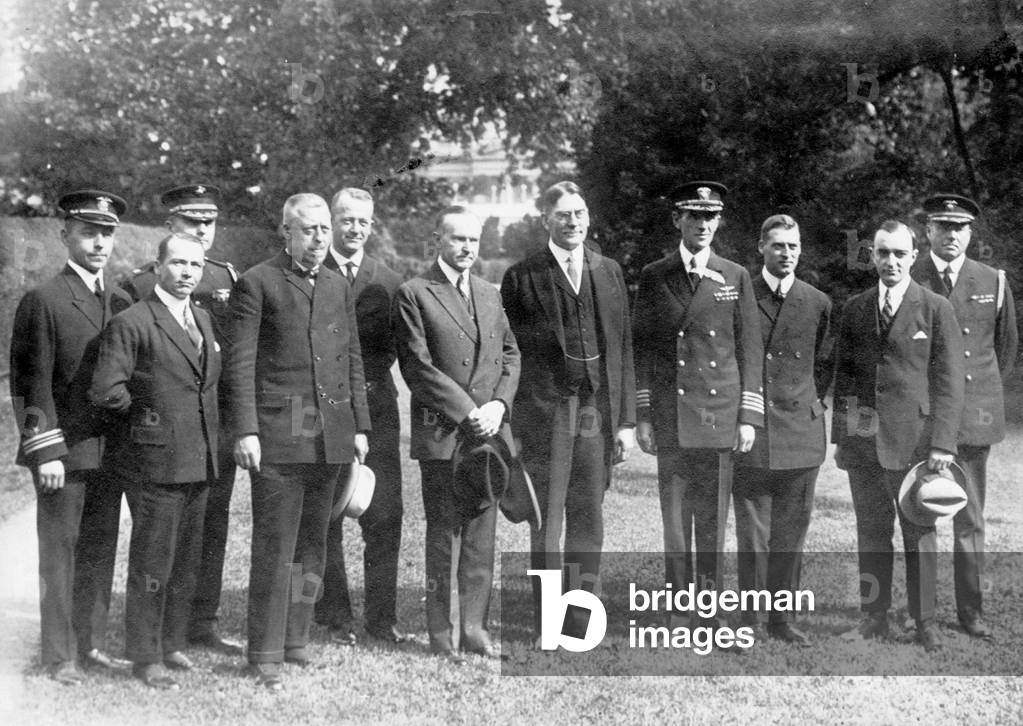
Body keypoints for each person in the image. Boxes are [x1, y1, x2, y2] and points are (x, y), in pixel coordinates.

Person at [225, 193, 370, 689]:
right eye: (308, 230)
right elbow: (240, 364)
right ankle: (265, 652)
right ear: (285, 233)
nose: (319, 238)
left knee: (314, 546)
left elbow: (352, 359)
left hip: (331, 438)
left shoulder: (336, 284)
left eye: (325, 229)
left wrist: (360, 426)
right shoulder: (257, 282)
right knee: (276, 547)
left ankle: (296, 640)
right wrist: (246, 429)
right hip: (279, 438)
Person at [500, 180, 635, 641]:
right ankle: (547, 623)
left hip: (597, 412)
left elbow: (623, 348)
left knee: (588, 517)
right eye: (562, 215)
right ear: (546, 220)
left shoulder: (609, 271)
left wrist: (626, 422)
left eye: (579, 213)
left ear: (588, 218)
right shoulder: (522, 277)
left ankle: (578, 622)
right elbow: (511, 355)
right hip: (546, 414)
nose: (572, 222)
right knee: (547, 521)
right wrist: (515, 425)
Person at [9, 189, 132, 684]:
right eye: (88, 233)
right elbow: (29, 383)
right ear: (65, 236)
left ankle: (92, 644)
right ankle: (59, 655)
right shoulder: (44, 300)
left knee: (100, 552)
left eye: (106, 234)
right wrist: (46, 452)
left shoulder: (121, 300)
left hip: (110, 452)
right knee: (59, 556)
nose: (99, 243)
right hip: (65, 452)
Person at [89, 232, 220, 689]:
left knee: (186, 560)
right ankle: (146, 656)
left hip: (199, 460)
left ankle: (171, 642)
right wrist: (150, 419)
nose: (187, 273)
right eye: (179, 263)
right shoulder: (133, 321)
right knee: (152, 563)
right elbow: (107, 390)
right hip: (155, 464)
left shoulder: (202, 318)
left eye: (196, 265)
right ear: (158, 266)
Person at [393, 206, 520, 663]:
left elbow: (511, 354)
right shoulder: (414, 293)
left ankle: (474, 629)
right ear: (438, 241)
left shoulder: (489, 292)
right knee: (445, 532)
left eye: (473, 240)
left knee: (482, 534)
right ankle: (442, 633)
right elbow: (418, 367)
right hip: (445, 433)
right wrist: (468, 413)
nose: (467, 248)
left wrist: (498, 405)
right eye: (458, 239)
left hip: (490, 434)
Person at [632, 181, 764, 619]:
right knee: (674, 524)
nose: (703, 225)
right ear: (678, 220)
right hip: (671, 417)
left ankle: (708, 611)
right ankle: (677, 609)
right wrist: (644, 415)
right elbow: (643, 349)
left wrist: (747, 417)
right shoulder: (655, 275)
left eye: (711, 217)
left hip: (718, 416)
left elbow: (749, 349)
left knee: (711, 523)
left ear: (718, 222)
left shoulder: (735, 275)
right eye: (694, 216)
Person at [120, 183, 242, 654]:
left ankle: (201, 622)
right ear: (169, 225)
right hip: (164, 436)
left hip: (216, 427)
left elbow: (236, 356)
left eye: (209, 222)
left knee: (210, 528)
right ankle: (155, 636)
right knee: (161, 536)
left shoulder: (227, 277)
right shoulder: (137, 286)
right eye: (192, 222)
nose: (203, 230)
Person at [834, 220, 965, 652]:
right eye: (883, 253)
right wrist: (843, 440)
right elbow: (844, 378)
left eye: (899, 254)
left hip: (916, 446)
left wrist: (943, 443)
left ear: (913, 257)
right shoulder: (855, 308)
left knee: (919, 534)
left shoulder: (935, 307)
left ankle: (925, 622)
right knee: (871, 533)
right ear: (872, 255)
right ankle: (874, 618)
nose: (891, 261)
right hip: (864, 444)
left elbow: (949, 382)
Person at [910, 194, 1017, 640]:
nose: (951, 235)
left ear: (970, 233)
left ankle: (971, 612)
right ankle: (924, 616)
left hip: (974, 416)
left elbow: (1005, 350)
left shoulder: (993, 280)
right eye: (943, 226)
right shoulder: (908, 273)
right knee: (921, 516)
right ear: (928, 231)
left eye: (960, 227)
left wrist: (973, 398)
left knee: (970, 519)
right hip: (922, 416)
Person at [733, 214, 831, 646]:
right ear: (761, 248)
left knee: (791, 534)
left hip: (800, 434)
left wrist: (808, 407)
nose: (786, 253)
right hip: (753, 431)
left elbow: (824, 366)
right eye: (777, 245)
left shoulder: (817, 302)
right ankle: (752, 619)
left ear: (800, 250)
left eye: (792, 246)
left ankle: (782, 619)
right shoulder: (740, 295)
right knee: (753, 533)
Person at [314, 187, 407, 645]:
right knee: (326, 514)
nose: (355, 229)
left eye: (363, 222)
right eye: (347, 220)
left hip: (378, 408)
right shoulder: (312, 271)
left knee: (384, 515)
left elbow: (396, 348)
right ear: (332, 222)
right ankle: (335, 616)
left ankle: (381, 619)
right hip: (323, 410)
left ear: (372, 226)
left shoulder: (389, 282)